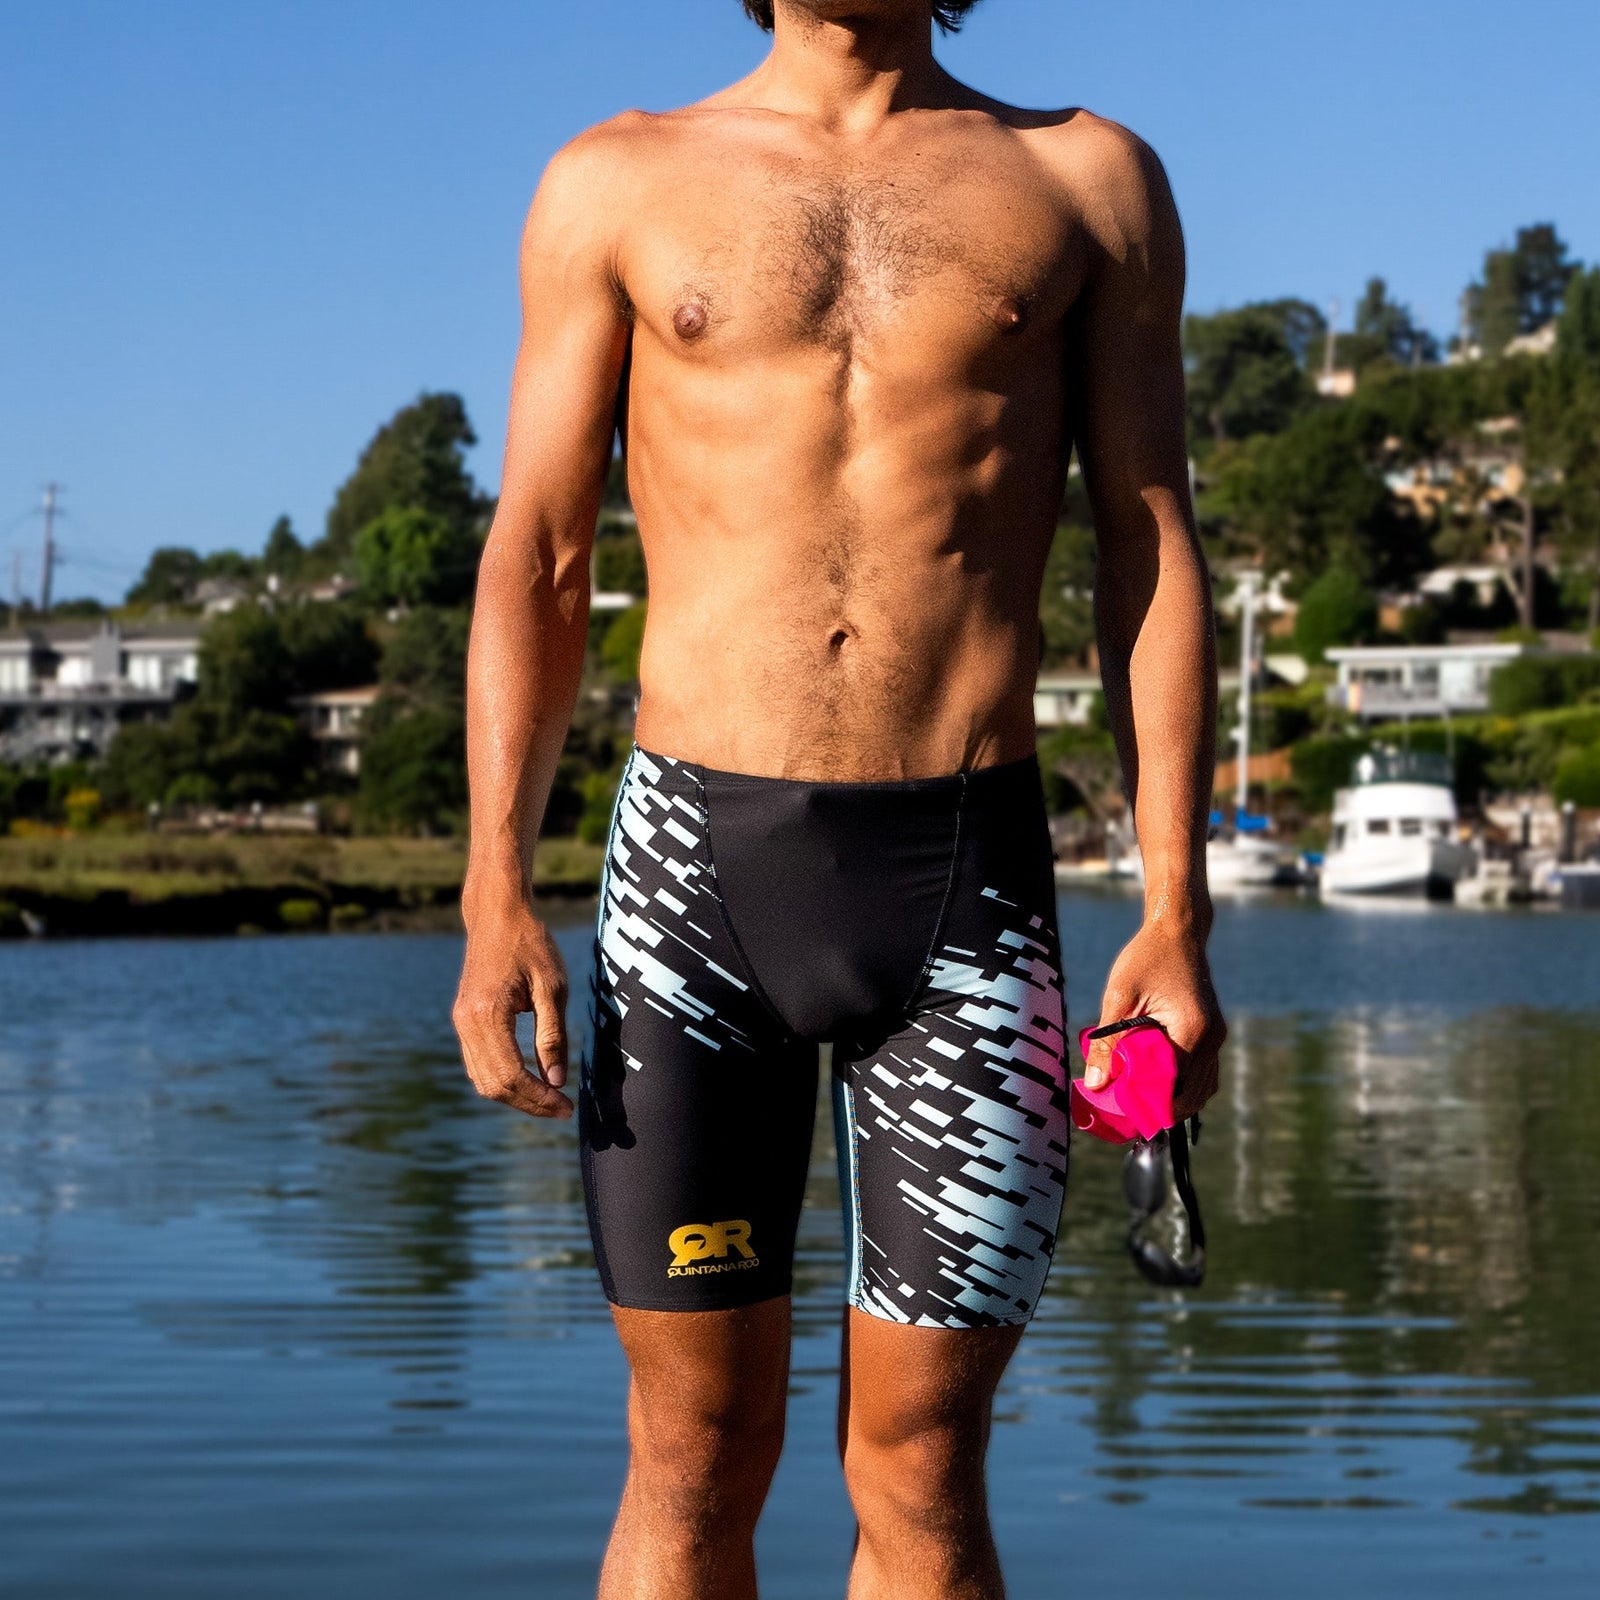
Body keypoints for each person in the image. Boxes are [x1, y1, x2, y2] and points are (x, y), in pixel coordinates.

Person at [452, 1, 1226, 1594]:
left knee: (926, 1473)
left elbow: (1148, 549)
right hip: (687, 888)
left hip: (967, 886)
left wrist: (1177, 907)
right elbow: (536, 551)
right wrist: (491, 888)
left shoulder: (1088, 183)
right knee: (691, 1457)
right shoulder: (616, 182)